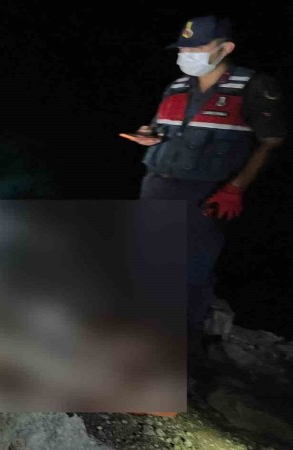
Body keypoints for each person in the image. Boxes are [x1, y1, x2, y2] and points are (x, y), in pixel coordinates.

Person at [120, 15, 286, 350]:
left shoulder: (254, 86)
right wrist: (147, 135)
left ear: (226, 48)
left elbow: (271, 142)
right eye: (183, 48)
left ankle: (182, 348)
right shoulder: (177, 86)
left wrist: (236, 188)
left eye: (198, 47)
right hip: (156, 183)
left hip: (204, 191)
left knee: (190, 271)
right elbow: (158, 127)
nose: (187, 54)